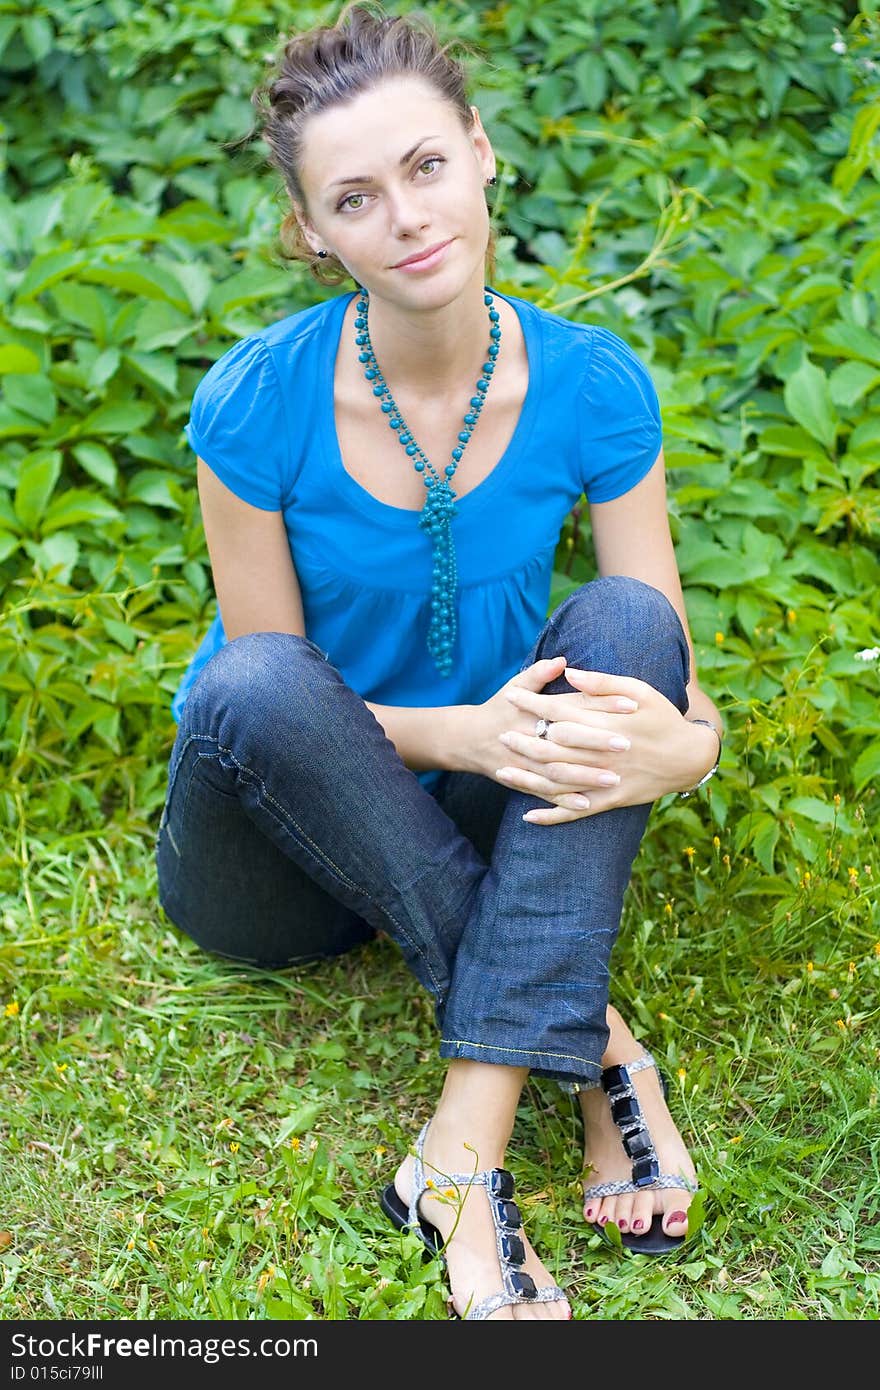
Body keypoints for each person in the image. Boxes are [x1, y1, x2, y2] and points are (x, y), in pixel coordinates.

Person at [155, 3, 722, 1320]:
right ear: (313, 230)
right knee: (248, 684)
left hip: (471, 795)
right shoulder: (255, 399)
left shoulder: (593, 385)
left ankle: (457, 1159)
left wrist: (692, 745)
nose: (406, 215)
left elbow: (668, 671)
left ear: (478, 153)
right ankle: (591, 1045)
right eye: (355, 195)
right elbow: (269, 695)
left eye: (425, 166)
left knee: (626, 627)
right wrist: (465, 735)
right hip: (273, 854)